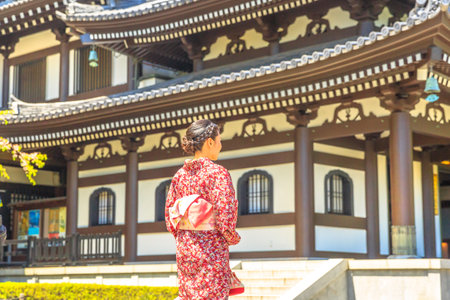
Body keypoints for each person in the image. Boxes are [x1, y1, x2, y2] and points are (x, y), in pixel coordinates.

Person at [165, 119, 241, 299]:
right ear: (209, 142)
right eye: (219, 140)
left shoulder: (179, 176)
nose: (220, 145)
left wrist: (187, 236)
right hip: (211, 249)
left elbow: (171, 218)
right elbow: (225, 216)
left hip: (185, 249)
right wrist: (232, 237)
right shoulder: (218, 173)